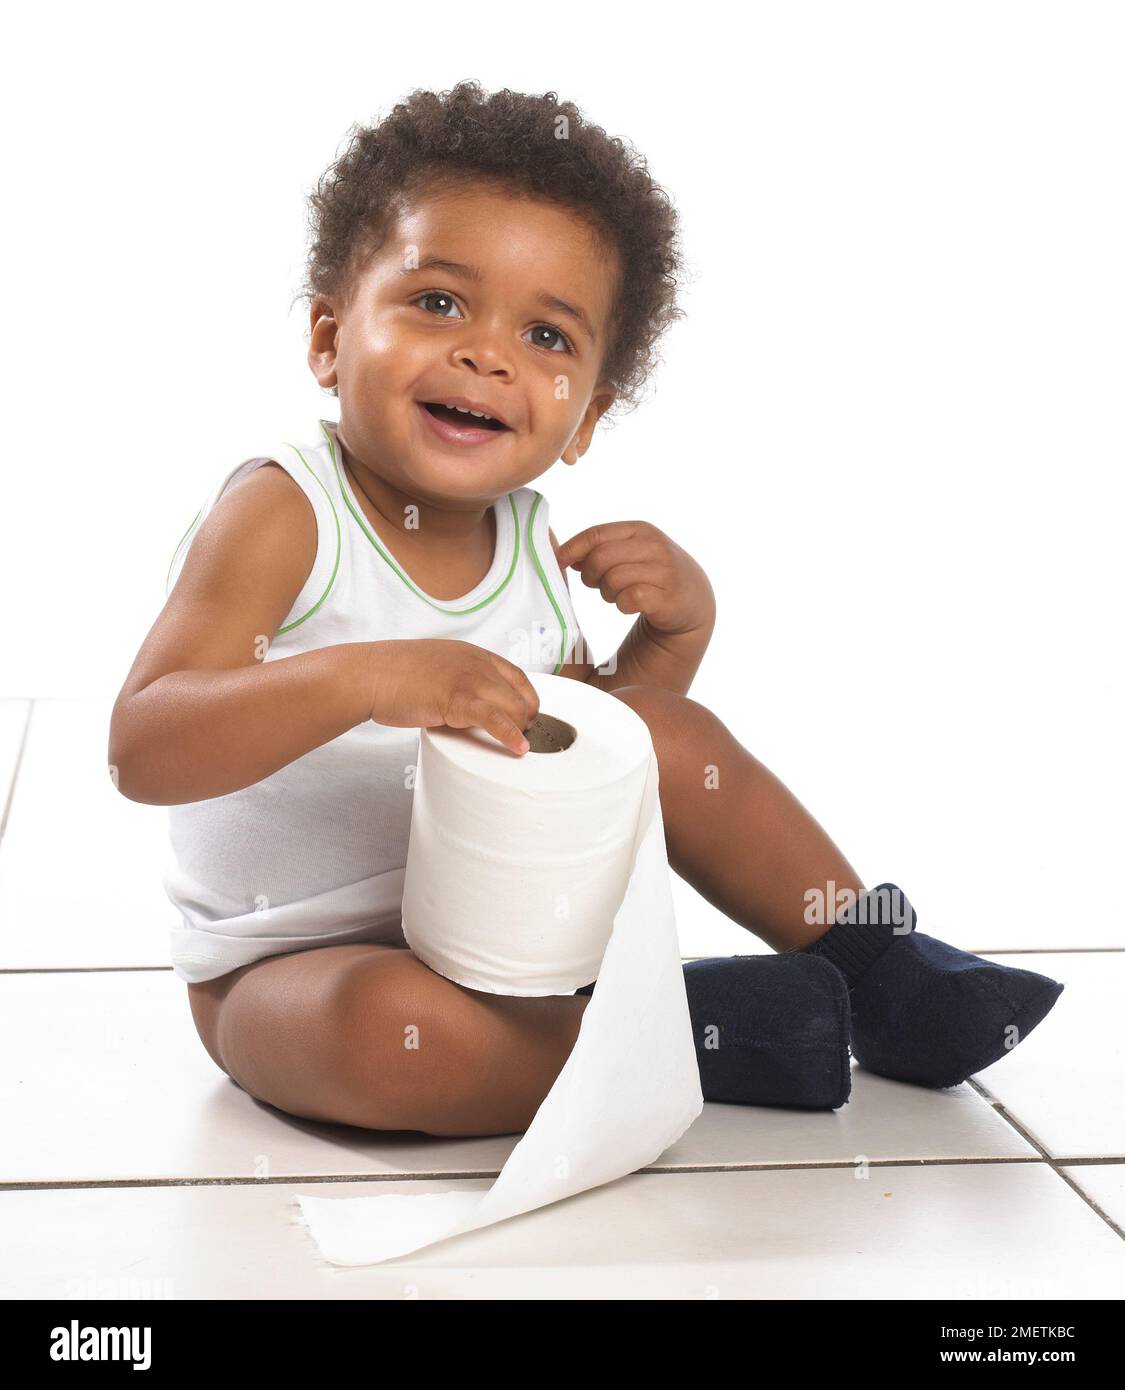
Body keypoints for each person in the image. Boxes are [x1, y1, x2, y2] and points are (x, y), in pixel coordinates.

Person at [108, 81, 1062, 1137]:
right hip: (290, 967)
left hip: (506, 945)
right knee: (380, 1038)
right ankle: (699, 1031)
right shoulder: (288, 511)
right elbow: (145, 746)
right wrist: (372, 675)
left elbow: (575, 772)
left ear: (585, 420)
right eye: (437, 303)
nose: (488, 353)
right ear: (331, 338)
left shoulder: (528, 537)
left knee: (663, 734)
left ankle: (878, 969)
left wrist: (670, 643)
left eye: (548, 337)